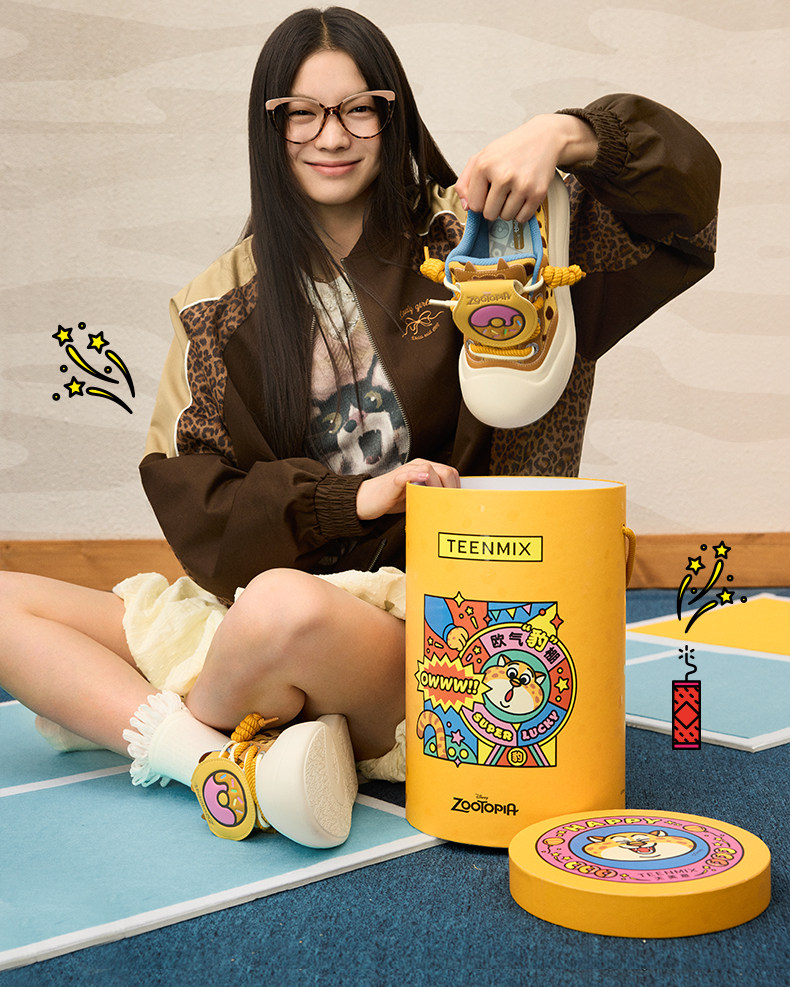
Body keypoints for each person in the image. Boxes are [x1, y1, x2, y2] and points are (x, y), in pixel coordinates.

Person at [0, 7, 720, 846]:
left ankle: (166, 719)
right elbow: (198, 503)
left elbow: (686, 206)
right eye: (301, 113)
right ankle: (210, 759)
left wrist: (562, 133)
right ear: (269, 127)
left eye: (357, 109)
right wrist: (353, 500)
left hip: (456, 639)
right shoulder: (216, 303)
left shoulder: (492, 236)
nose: (331, 136)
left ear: (392, 114)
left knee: (279, 611)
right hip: (266, 610)